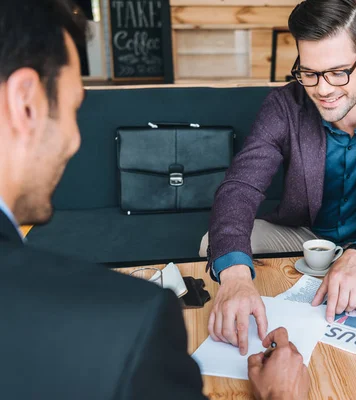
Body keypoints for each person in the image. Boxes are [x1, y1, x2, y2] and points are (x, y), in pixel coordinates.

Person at [0, 1, 308, 399]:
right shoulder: (132, 326)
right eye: (74, 108)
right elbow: (240, 187)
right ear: (26, 101)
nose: (76, 140)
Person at [200, 0, 356, 379]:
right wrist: (236, 276)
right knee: (216, 247)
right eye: (309, 72)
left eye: (338, 73)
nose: (322, 90)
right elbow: (241, 186)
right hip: (307, 234)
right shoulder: (285, 104)